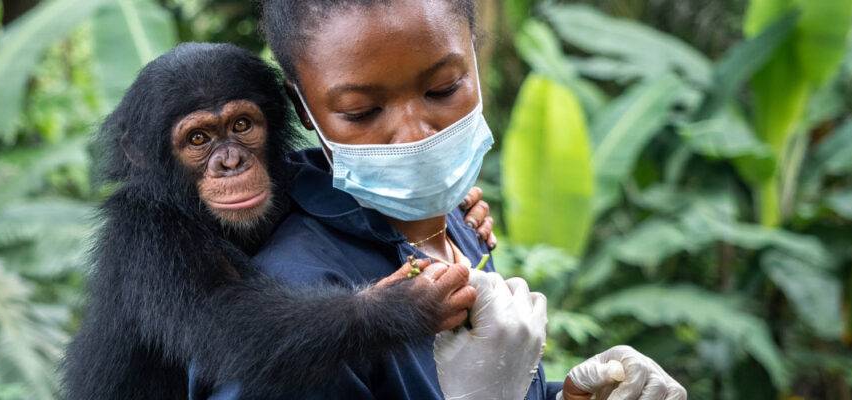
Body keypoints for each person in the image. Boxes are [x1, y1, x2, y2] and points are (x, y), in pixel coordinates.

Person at [250, 0, 688, 399]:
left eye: (442, 88)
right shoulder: (296, 301)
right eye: (362, 112)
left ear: (475, 59)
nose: (416, 135)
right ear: (303, 107)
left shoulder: (459, 221)